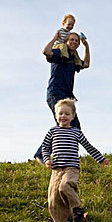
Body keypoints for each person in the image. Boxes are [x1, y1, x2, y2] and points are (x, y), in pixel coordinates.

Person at [41, 98, 109, 222]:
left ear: (73, 116)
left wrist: (101, 159)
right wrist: (46, 159)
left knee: (65, 186)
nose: (63, 116)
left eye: (67, 114)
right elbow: (45, 148)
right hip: (56, 169)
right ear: (56, 115)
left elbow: (88, 146)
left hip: (71, 168)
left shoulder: (76, 132)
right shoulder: (53, 132)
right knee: (54, 198)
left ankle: (77, 208)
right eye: (60, 113)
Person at [33, 30, 90, 161]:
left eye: (76, 40)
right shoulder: (60, 52)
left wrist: (86, 47)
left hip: (66, 95)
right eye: (72, 40)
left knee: (73, 126)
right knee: (65, 124)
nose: (74, 42)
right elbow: (46, 52)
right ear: (66, 41)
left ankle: (58, 154)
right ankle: (42, 154)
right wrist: (54, 38)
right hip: (55, 93)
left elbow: (86, 64)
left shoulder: (73, 58)